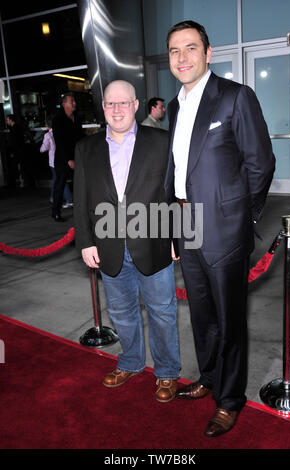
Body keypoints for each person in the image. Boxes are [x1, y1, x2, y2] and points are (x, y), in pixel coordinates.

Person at [164, 20, 275, 436]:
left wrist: (243, 218)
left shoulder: (234, 97)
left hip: (226, 227)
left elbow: (260, 164)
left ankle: (229, 399)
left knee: (229, 320)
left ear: (208, 53)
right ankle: (209, 377)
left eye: (190, 48)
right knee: (201, 313)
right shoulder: (174, 107)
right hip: (186, 221)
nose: (182, 58)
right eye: (174, 51)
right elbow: (177, 172)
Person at [74, 80, 181, 402]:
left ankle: (166, 373)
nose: (117, 109)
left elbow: (176, 193)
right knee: (121, 312)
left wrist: (180, 236)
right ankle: (131, 362)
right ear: (103, 108)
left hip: (153, 244)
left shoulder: (162, 141)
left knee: (163, 313)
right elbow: (81, 200)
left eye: (123, 103)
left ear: (136, 105)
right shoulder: (86, 148)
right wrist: (85, 242)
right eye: (110, 103)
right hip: (108, 245)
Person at [52, 92, 84, 221]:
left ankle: (81, 211)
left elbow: (80, 136)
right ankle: (56, 212)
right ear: (64, 104)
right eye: (72, 101)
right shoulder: (58, 119)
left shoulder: (76, 117)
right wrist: (68, 159)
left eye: (74, 101)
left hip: (77, 157)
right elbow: (59, 141)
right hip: (63, 159)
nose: (74, 103)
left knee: (80, 184)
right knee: (60, 185)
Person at [40, 118, 73, 205]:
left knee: (59, 179)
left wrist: (40, 149)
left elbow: (44, 148)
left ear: (47, 126)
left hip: (54, 161)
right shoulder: (62, 133)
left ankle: (68, 199)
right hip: (63, 159)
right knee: (57, 179)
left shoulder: (48, 135)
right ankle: (54, 197)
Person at [6, 114, 25, 188]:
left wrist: (13, 151)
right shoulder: (16, 127)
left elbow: (14, 141)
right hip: (19, 150)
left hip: (17, 150)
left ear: (11, 120)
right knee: (20, 166)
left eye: (7, 120)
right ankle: (22, 181)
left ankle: (16, 182)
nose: (7, 121)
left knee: (14, 166)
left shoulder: (14, 129)